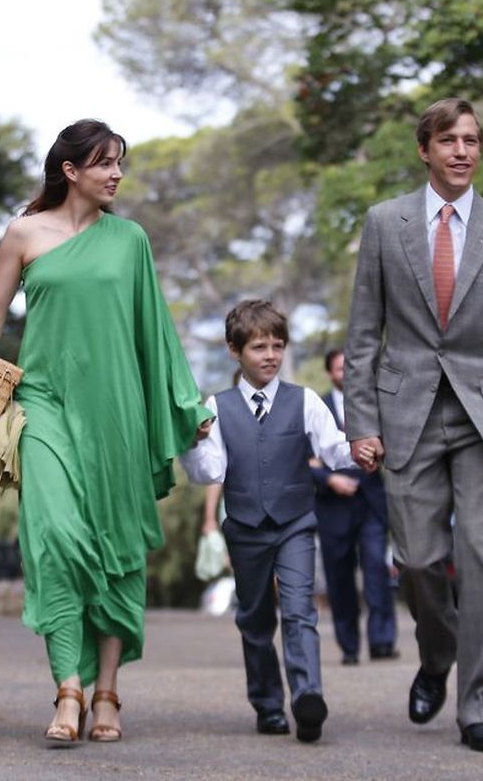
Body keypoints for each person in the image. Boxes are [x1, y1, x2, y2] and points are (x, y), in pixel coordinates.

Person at [0, 119, 212, 744]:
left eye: (121, 163)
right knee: (57, 541)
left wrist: (184, 403)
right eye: (104, 163)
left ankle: (108, 694)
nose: (116, 174)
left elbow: (155, 330)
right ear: (71, 171)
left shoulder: (130, 241)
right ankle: (68, 686)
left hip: (116, 413)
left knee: (117, 550)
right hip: (43, 408)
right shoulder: (24, 234)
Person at [343, 97, 483, 752]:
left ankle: (480, 708)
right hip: (405, 412)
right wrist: (361, 422)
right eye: (449, 141)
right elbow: (361, 336)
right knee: (416, 561)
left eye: (472, 140)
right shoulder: (385, 224)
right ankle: (437, 654)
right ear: (425, 150)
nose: (463, 151)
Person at [180, 300, 353, 743]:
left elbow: (334, 449)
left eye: (278, 345)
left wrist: (364, 450)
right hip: (245, 528)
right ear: (234, 350)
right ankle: (268, 703)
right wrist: (190, 443)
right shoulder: (216, 407)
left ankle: (307, 697)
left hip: (296, 522)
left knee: (299, 611)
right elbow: (210, 472)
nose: (271, 355)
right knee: (255, 620)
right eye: (259, 347)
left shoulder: (306, 400)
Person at [312, 348, 399, 666]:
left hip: (371, 503)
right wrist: (329, 480)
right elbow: (301, 457)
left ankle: (382, 641)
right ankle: (349, 646)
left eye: (350, 368)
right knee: (340, 578)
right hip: (333, 506)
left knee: (377, 568)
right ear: (329, 373)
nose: (345, 374)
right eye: (338, 369)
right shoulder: (317, 407)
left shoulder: (374, 404)